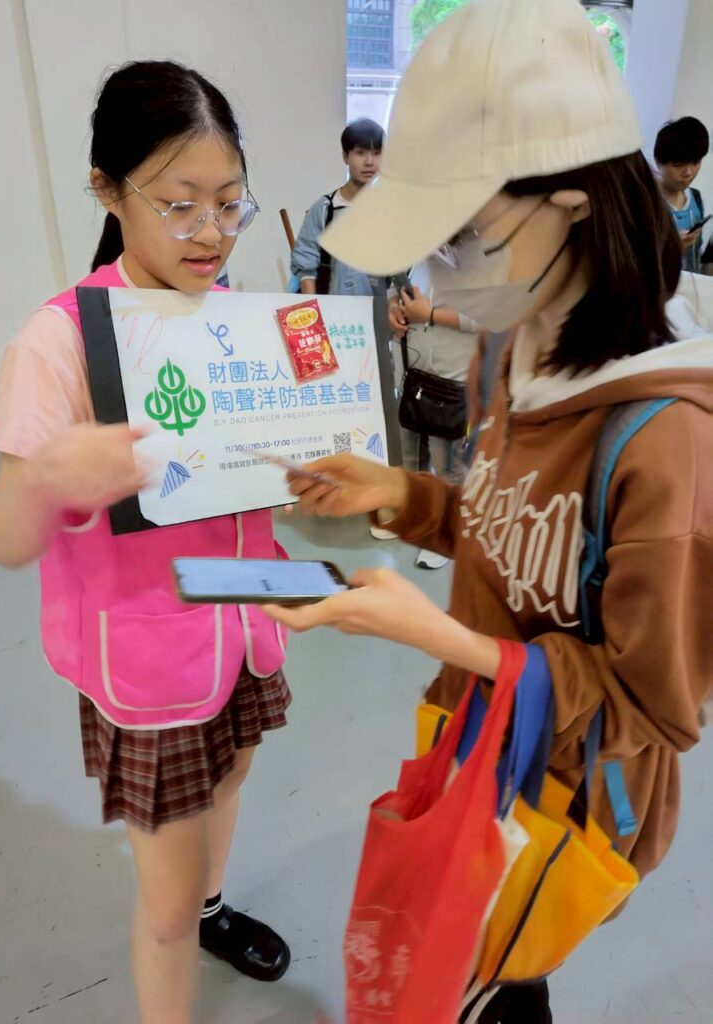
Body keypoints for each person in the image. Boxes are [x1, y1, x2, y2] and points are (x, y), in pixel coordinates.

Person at [261, 1, 712, 1020]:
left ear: (573, 204)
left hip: (563, 800)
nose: (441, 273)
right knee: (484, 970)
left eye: (464, 235)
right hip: (480, 743)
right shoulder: (519, 343)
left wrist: (445, 640)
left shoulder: (669, 439)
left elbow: (653, 710)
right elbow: (508, 532)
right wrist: (406, 496)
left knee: (501, 973)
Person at [0, 61, 291, 1024]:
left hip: (244, 620)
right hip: (151, 661)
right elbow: (0, 535)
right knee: (161, 905)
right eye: (180, 205)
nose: (211, 233)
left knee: (232, 773)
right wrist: (45, 480)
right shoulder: (60, 341)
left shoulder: (236, 315)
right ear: (108, 191)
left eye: (230, 203)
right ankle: (185, 925)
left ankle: (212, 905)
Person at [386, 263, 478, 568]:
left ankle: (448, 532)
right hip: (410, 370)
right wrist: (393, 307)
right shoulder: (417, 254)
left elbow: (493, 319)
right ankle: (415, 517)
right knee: (409, 452)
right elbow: (395, 287)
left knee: (447, 462)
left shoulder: (479, 256)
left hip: (453, 376)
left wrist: (431, 315)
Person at [290, 118, 384, 296]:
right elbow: (305, 261)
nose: (369, 161)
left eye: (376, 153)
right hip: (334, 307)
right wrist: (315, 306)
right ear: (345, 156)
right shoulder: (325, 209)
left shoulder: (389, 210)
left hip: (378, 308)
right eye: (360, 153)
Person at [655, 116, 710, 273]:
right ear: (658, 162)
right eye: (678, 165)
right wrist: (672, 249)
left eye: (696, 162)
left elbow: (696, 253)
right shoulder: (646, 203)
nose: (689, 173)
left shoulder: (696, 198)